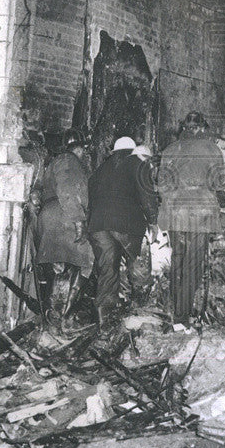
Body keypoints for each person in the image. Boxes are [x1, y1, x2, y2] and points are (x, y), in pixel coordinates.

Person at [157, 112, 224, 326]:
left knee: (177, 259)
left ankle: (175, 309)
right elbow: (219, 183)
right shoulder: (212, 149)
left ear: (184, 128)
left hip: (175, 211)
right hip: (200, 212)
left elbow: (163, 185)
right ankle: (182, 317)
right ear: (202, 128)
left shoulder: (169, 150)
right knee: (193, 264)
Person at [87, 136, 158, 325]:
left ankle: (105, 315)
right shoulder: (137, 163)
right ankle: (139, 309)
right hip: (127, 223)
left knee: (107, 269)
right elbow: (147, 194)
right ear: (132, 150)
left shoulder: (100, 169)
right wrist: (153, 221)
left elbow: (91, 197)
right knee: (137, 262)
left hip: (98, 225)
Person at [30, 128, 94, 319]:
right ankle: (62, 314)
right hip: (64, 216)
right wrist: (79, 220)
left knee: (57, 265)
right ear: (78, 149)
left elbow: (38, 191)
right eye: (82, 149)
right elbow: (67, 189)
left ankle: (53, 314)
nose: (83, 153)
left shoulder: (54, 163)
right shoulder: (69, 161)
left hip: (52, 216)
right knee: (86, 260)